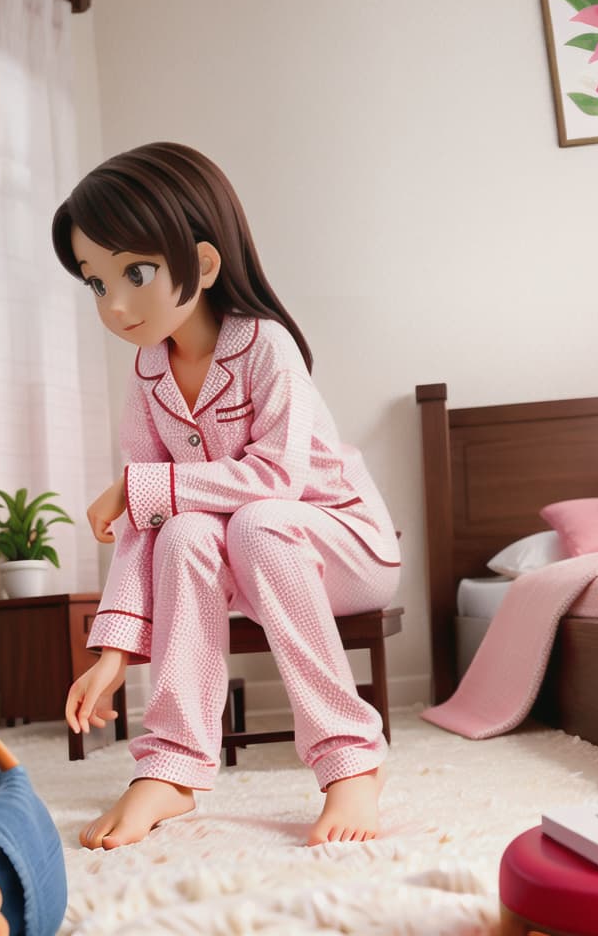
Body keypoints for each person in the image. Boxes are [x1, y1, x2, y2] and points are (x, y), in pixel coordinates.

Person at [52, 142, 401, 849]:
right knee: (183, 531)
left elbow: (276, 478)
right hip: (252, 552)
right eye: (95, 282)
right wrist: (115, 650)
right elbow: (148, 523)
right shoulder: (149, 374)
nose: (114, 305)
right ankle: (173, 768)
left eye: (135, 273)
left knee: (258, 522)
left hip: (345, 542)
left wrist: (141, 486)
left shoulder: (265, 346)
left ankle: (349, 762)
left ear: (204, 264)